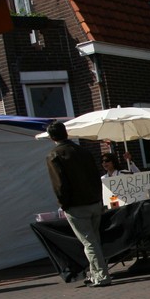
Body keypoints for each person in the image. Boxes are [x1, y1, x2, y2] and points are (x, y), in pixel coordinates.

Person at [45, 120, 111, 287]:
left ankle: (102, 276)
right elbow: (95, 176)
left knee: (89, 242)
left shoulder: (54, 155)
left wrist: (63, 203)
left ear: (52, 137)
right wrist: (99, 198)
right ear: (66, 133)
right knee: (94, 240)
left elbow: (59, 184)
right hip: (94, 201)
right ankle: (95, 273)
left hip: (75, 205)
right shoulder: (84, 151)